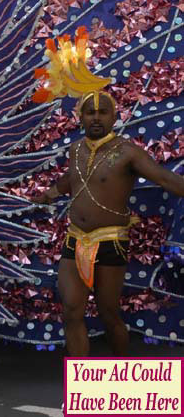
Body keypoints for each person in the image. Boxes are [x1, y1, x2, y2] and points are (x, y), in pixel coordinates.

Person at [31, 91, 184, 357]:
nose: (97, 118)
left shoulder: (127, 152)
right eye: (91, 113)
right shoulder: (76, 148)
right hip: (75, 239)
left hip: (111, 242)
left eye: (103, 113)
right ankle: (82, 386)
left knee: (109, 313)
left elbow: (164, 178)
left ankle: (118, 374)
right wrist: (49, 194)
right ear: (81, 117)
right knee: (71, 311)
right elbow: (73, 178)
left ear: (114, 116)